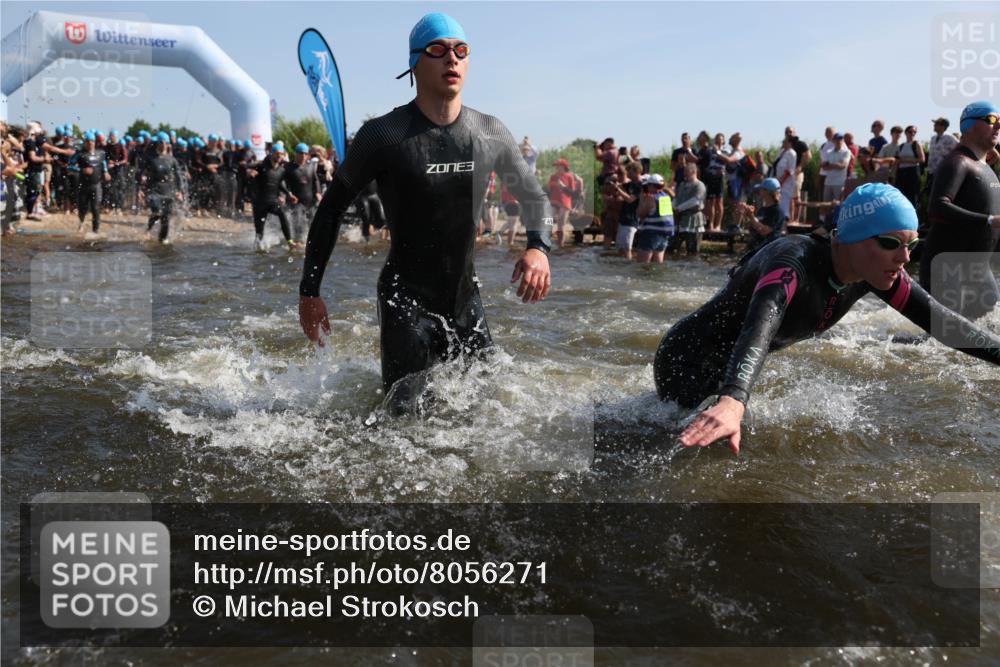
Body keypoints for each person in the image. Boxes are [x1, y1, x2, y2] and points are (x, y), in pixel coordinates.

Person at [298, 12, 553, 411]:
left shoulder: (489, 132)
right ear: (415, 64)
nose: (451, 59)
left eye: (461, 50)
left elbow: (536, 199)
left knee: (488, 414)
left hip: (466, 301)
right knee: (401, 423)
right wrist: (309, 293)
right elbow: (330, 211)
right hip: (405, 302)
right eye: (438, 50)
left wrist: (538, 247)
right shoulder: (384, 135)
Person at [652, 183, 1000, 455]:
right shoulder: (793, 262)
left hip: (732, 370)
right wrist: (734, 398)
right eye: (891, 242)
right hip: (687, 359)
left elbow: (947, 325)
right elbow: (759, 324)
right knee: (675, 450)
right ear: (851, 237)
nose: (905, 258)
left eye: (911, 245)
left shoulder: (876, 272)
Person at [918, 100, 1000, 321]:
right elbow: (937, 207)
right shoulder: (957, 162)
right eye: (992, 120)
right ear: (969, 125)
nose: (998, 126)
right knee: (942, 342)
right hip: (947, 267)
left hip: (978, 270)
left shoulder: (982, 165)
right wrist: (990, 220)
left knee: (980, 330)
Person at [248, 142, 297, 250]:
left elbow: (279, 184)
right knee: (259, 231)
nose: (279, 157)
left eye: (281, 154)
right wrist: (250, 173)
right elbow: (246, 168)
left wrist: (289, 194)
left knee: (283, 215)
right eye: (277, 154)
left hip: (272, 202)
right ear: (272, 154)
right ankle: (258, 248)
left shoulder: (281, 170)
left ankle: (290, 241)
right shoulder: (261, 166)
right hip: (259, 204)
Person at [139, 132, 184, 243]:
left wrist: (180, 191)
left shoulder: (172, 160)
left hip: (169, 190)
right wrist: (140, 189)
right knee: (157, 211)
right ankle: (149, 229)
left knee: (166, 218)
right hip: (154, 189)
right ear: (157, 143)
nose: (163, 145)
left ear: (168, 144)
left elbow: (178, 176)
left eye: (165, 143)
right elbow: (141, 173)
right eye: (161, 142)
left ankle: (162, 240)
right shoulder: (150, 158)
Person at [70, 131, 110, 234]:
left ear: (95, 142)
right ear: (85, 142)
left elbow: (104, 162)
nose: (90, 143)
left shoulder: (100, 153)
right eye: (87, 141)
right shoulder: (80, 154)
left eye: (92, 141)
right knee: (83, 207)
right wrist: (81, 170)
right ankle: (81, 223)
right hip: (84, 185)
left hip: (96, 185)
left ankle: (95, 231)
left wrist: (105, 172)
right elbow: (69, 166)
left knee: (96, 208)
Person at [734, 177, 787, 252]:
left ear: (767, 192)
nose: (759, 191)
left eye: (761, 189)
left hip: (770, 250)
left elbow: (764, 231)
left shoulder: (777, 211)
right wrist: (746, 213)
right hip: (758, 248)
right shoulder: (762, 210)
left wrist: (751, 216)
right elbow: (755, 225)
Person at [283, 143, 323, 242]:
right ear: (296, 154)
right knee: (298, 224)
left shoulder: (311, 166)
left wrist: (318, 192)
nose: (303, 156)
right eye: (301, 154)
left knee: (312, 224)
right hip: (295, 201)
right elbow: (283, 183)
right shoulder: (288, 167)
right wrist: (288, 194)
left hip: (310, 200)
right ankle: (298, 242)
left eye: (305, 154)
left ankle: (310, 242)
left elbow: (316, 180)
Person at [634, 174, 674, 264]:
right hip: (663, 236)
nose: (647, 187)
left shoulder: (651, 198)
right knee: (657, 266)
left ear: (652, 185)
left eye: (648, 185)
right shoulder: (666, 197)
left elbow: (640, 214)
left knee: (642, 266)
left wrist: (641, 199)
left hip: (650, 235)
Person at [669, 163, 706, 255]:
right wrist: (673, 207)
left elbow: (695, 201)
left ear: (693, 171)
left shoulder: (699, 185)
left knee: (693, 251)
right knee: (672, 248)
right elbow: (677, 199)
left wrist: (679, 208)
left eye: (686, 171)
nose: (684, 173)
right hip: (680, 220)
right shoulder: (682, 185)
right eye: (684, 171)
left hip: (694, 219)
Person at [925, 116, 958, 200]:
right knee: (930, 194)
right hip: (931, 172)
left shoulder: (950, 138)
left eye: (936, 124)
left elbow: (959, 150)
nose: (934, 125)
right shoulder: (933, 138)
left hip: (942, 172)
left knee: (940, 195)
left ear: (943, 126)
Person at [616, 161, 644, 259]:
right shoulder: (629, 184)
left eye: (630, 172)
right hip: (623, 219)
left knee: (628, 248)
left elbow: (630, 199)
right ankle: (620, 266)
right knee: (620, 247)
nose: (628, 174)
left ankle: (628, 265)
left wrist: (619, 190)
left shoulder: (641, 186)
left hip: (632, 220)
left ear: (637, 171)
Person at [548, 158, 576, 248]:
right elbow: (549, 190)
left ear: (563, 166)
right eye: (556, 166)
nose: (556, 167)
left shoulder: (569, 176)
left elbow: (573, 192)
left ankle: (561, 245)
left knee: (561, 224)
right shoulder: (553, 176)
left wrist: (563, 187)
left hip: (565, 203)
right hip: (553, 202)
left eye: (558, 166)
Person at [895, 125, 924, 208]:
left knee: (913, 196)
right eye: (910, 132)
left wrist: (904, 160)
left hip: (913, 172)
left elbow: (922, 159)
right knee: (901, 196)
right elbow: (897, 160)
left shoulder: (916, 144)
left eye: (914, 132)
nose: (912, 134)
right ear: (906, 133)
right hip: (901, 173)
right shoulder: (901, 146)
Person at [821, 133, 851, 202]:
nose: (839, 141)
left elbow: (843, 166)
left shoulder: (846, 152)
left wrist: (829, 165)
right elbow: (824, 167)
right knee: (826, 204)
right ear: (833, 141)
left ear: (843, 141)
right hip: (828, 182)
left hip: (840, 183)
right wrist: (837, 164)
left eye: (841, 139)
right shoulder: (828, 152)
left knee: (839, 204)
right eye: (837, 139)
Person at [773, 137, 797, 219]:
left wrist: (781, 182)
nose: (782, 142)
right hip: (778, 181)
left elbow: (790, 170)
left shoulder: (792, 153)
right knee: (778, 203)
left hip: (786, 183)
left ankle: (784, 224)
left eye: (784, 141)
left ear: (789, 142)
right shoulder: (782, 152)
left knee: (784, 204)